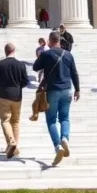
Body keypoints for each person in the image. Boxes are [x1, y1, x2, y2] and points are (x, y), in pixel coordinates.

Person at [33, 32, 80, 166]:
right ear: (60, 41)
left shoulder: (46, 54)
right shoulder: (68, 54)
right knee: (65, 118)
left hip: (52, 90)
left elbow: (36, 67)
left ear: (49, 41)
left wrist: (42, 55)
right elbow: (74, 73)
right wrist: (77, 89)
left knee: (51, 120)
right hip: (67, 90)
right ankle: (65, 137)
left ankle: (57, 146)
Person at [0, 43, 30, 158]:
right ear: (14, 50)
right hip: (17, 96)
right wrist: (18, 86)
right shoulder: (21, 64)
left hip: (3, 94)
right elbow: (26, 81)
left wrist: (1, 83)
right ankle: (15, 146)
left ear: (5, 51)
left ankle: (11, 142)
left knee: (5, 120)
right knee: (16, 121)